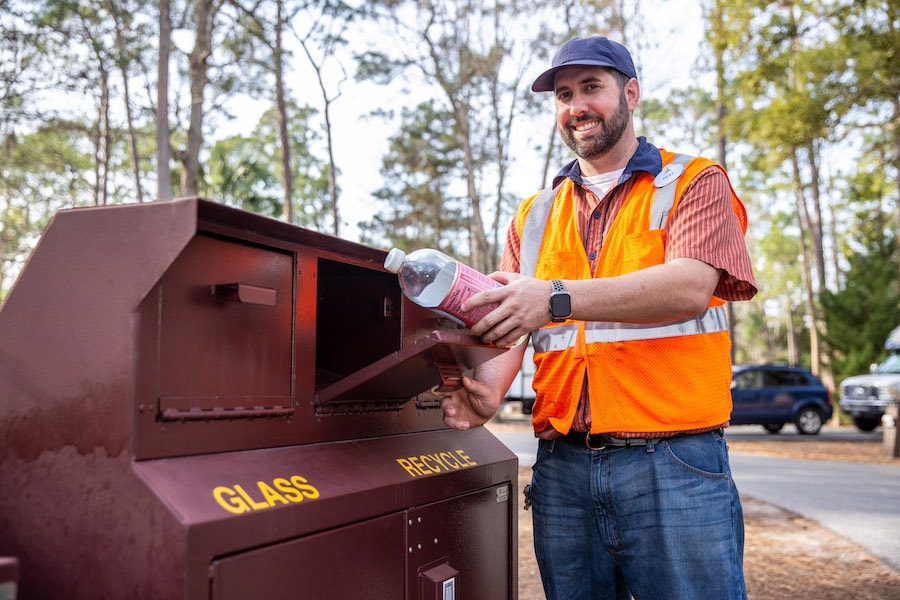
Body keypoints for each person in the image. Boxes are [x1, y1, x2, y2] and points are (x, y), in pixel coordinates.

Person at [437, 35, 758, 600]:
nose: (576, 106)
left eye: (592, 88)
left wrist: (556, 297)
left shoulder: (693, 181)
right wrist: (487, 390)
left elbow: (689, 286)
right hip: (563, 468)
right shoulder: (534, 215)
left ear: (630, 93)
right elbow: (513, 316)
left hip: (675, 464)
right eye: (564, 95)